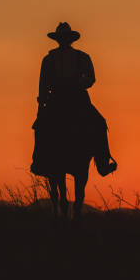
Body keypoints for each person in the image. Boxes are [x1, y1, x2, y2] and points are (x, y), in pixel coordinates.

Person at [30, 22, 117, 177]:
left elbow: (91, 78)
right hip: (58, 99)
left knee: (99, 123)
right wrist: (42, 101)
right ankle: (39, 161)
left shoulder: (81, 57)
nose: (63, 40)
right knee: (40, 127)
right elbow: (43, 84)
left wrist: (78, 84)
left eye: (65, 37)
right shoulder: (49, 59)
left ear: (69, 39)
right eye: (61, 38)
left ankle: (103, 162)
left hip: (77, 99)